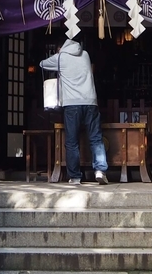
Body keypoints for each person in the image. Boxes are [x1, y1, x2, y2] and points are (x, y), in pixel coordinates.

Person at [41, 38, 109, 185]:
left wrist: (57, 57)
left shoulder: (60, 58)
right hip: (91, 101)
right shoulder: (85, 55)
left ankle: (75, 177)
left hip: (72, 104)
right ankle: (100, 171)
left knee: (72, 141)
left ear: (60, 48)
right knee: (96, 138)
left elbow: (42, 64)